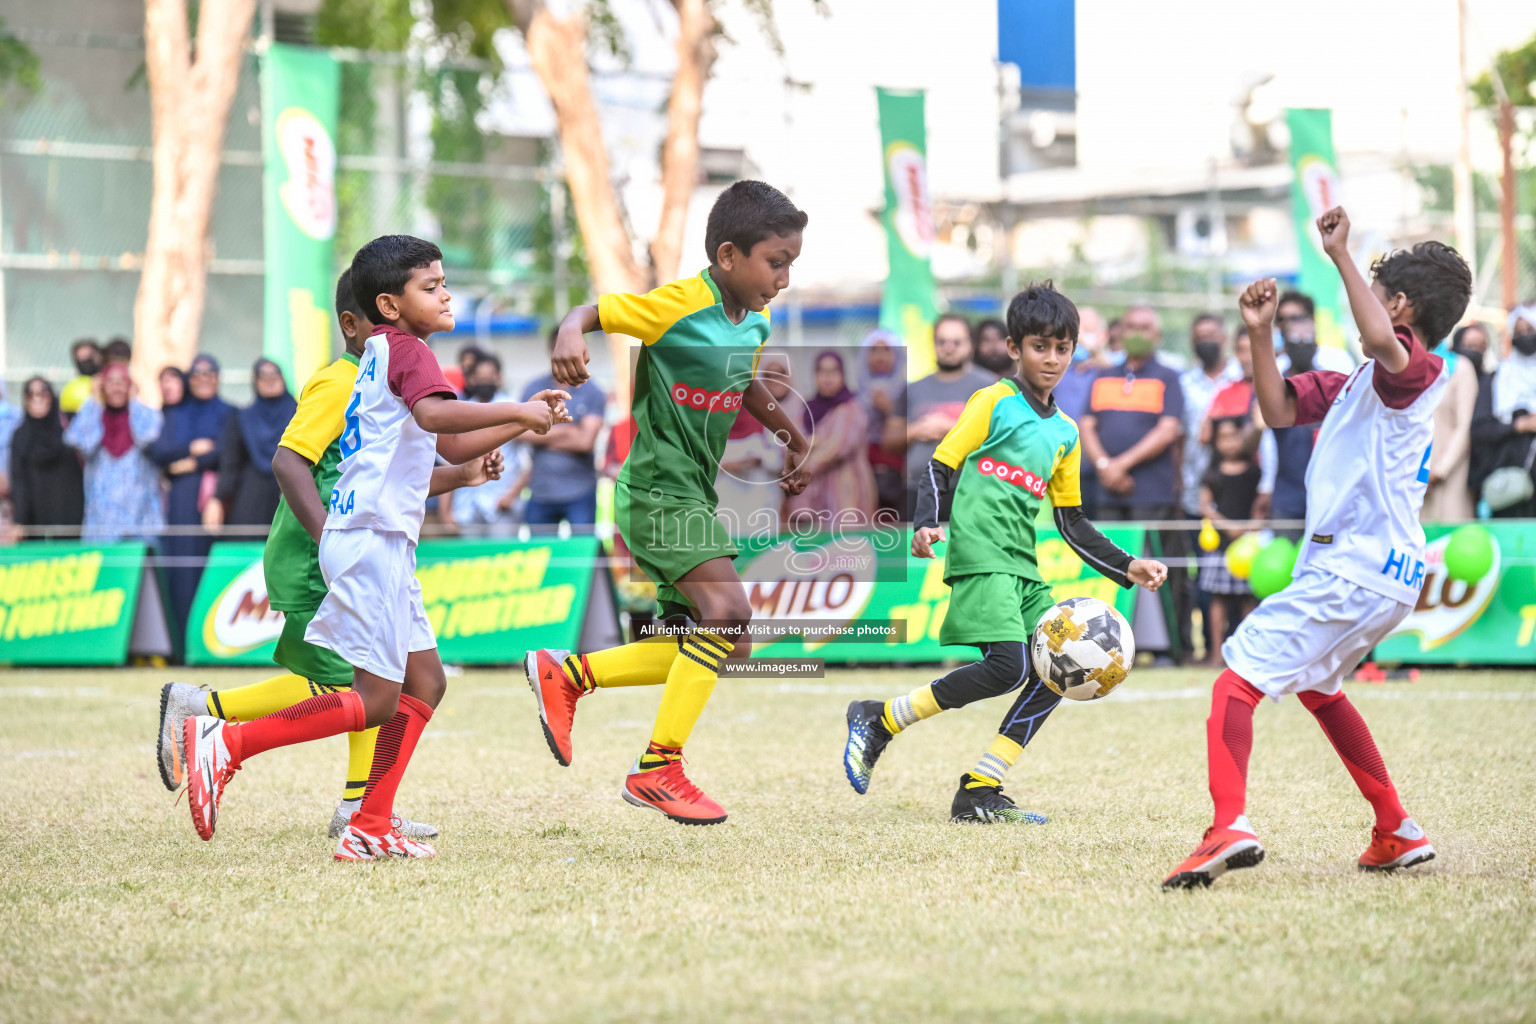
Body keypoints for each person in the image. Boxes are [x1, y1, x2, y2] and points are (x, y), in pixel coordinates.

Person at [180, 235, 567, 860]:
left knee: (426, 680)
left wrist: (524, 422)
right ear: (389, 305)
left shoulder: (390, 352)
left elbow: (448, 447)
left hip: (381, 539)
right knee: (376, 697)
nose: (446, 294)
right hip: (365, 540)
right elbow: (441, 422)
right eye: (432, 286)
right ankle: (227, 745)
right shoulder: (408, 351)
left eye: (444, 283)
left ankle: (371, 821)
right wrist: (519, 406)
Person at [1163, 207, 1469, 889]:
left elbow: (1379, 337)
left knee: (1234, 679)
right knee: (1320, 689)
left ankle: (1228, 827)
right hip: (1380, 572)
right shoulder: (1354, 383)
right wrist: (1260, 334)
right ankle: (1396, 828)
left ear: (1399, 306)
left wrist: (1340, 255)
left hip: (1354, 567)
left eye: (1379, 297)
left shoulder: (1412, 370)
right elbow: (1275, 410)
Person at [523, 180, 811, 825]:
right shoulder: (676, 306)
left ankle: (569, 675)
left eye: (792, 264)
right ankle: (659, 768)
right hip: (655, 491)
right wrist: (571, 330)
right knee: (729, 612)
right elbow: (594, 313)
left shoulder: (755, 321)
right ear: (730, 255)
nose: (784, 279)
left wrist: (791, 437)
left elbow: (743, 387)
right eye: (776, 262)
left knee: (724, 644)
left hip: (691, 497)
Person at [841, 282, 1168, 822]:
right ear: (1015, 347)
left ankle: (980, 787)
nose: (1053, 358)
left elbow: (1071, 522)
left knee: (1060, 666)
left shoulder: (1065, 432)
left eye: (1063, 348)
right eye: (1041, 346)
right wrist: (928, 521)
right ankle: (879, 719)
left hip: (1023, 566)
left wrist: (1127, 565)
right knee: (1008, 667)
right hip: (981, 554)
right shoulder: (994, 401)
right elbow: (939, 462)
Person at [1078, 304, 1190, 662]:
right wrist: (1105, 466)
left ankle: (1171, 648)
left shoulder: (1168, 378)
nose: (1138, 332)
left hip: (1152, 492)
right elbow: (1087, 425)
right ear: (1119, 333)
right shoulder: (1102, 376)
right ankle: (1112, 647)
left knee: (1160, 569)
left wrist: (1119, 465)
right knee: (1111, 566)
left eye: (1145, 326)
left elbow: (1168, 429)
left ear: (1157, 335)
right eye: (1131, 326)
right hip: (1107, 491)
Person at [153, 354, 233, 642]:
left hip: (218, 499)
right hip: (182, 502)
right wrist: (193, 446)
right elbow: (160, 452)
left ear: (217, 377)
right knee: (181, 568)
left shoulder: (229, 412)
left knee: (211, 567)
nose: (203, 379)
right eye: (197, 374)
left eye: (209, 373)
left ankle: (208, 642)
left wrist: (188, 463)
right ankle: (181, 644)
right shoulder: (176, 413)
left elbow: (226, 452)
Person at [886, 314, 995, 521]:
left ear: (970, 345)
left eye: (956, 341)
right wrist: (916, 430)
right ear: (933, 344)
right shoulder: (913, 389)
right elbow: (888, 441)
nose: (949, 347)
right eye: (942, 341)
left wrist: (953, 429)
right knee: (918, 552)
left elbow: (1004, 438)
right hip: (917, 490)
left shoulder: (990, 387)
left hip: (971, 491)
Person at [63, 362, 163, 542]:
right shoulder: (95, 416)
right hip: (103, 519)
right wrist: (94, 399)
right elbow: (77, 439)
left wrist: (134, 401)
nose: (116, 388)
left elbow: (147, 436)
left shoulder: (147, 414)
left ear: (131, 386)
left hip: (140, 516)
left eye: (122, 382)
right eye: (110, 382)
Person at [520, 328, 607, 528]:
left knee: (582, 555)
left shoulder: (594, 392)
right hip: (540, 490)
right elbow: (518, 431)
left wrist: (540, 431)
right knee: (540, 555)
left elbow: (585, 442)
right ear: (551, 350)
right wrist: (569, 431)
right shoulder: (534, 388)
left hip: (581, 490)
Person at [785, 351, 877, 524]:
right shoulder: (806, 408)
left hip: (846, 495)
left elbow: (836, 447)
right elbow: (788, 443)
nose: (827, 377)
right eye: (821, 371)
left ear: (842, 375)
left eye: (833, 371)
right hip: (814, 499)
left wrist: (801, 465)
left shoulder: (851, 408)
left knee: (846, 547)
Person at [1196, 417, 1260, 664]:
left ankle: (1247, 654)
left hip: (1248, 547)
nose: (1230, 443)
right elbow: (1205, 505)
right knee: (1217, 598)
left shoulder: (1254, 472)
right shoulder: (1212, 473)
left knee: (1248, 600)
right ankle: (1215, 653)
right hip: (1219, 546)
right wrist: (1228, 526)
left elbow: (1260, 504)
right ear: (1215, 442)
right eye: (1223, 437)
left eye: (1234, 436)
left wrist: (1250, 527)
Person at [205, 359, 295, 529]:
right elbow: (230, 464)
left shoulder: (300, 415)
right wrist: (217, 498)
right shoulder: (242, 418)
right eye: (263, 375)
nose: (269, 379)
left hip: (291, 495)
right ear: (255, 382)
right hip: (251, 500)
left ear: (283, 379)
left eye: (274, 373)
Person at [448, 353, 529, 531]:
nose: (485, 381)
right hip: (467, 506)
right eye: (480, 377)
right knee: (470, 559)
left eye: (489, 377)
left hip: (502, 503)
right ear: (471, 380)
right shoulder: (461, 411)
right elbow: (448, 461)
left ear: (499, 378)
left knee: (505, 557)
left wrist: (512, 495)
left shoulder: (513, 408)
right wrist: (446, 511)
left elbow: (532, 458)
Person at [1469, 305, 1536, 517]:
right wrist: (1519, 425)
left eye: (1530, 329)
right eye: (1518, 331)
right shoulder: (1496, 378)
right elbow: (1480, 429)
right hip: (1509, 483)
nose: (1525, 336)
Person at [715, 351, 789, 538]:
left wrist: (759, 458)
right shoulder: (714, 419)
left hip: (759, 500)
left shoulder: (767, 416)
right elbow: (700, 460)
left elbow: (778, 461)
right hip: (725, 501)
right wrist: (724, 466)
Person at [8, 378, 85, 535]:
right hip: (36, 521)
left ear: (52, 396)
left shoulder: (70, 425)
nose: (37, 397)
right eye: (30, 393)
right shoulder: (21, 436)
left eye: (43, 392)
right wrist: (19, 521)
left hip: (73, 519)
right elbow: (18, 481)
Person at [1422, 328, 1479, 522]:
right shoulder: (1402, 370)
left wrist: (1438, 471)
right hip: (1410, 476)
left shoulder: (1461, 369)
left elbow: (1464, 426)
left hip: (1450, 475)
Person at [856, 329, 906, 517]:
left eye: (886, 350)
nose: (880, 356)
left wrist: (892, 410)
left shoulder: (909, 391)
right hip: (862, 469)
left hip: (899, 471)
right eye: (873, 350)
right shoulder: (854, 394)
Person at [1275, 290, 1356, 375]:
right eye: (1281, 319)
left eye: (1294, 319)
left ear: (1311, 319)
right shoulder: (1278, 366)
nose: (1287, 325)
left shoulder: (1339, 360)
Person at [59, 339, 103, 418]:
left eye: (89, 357)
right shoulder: (70, 389)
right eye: (81, 359)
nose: (85, 362)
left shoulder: (110, 383)